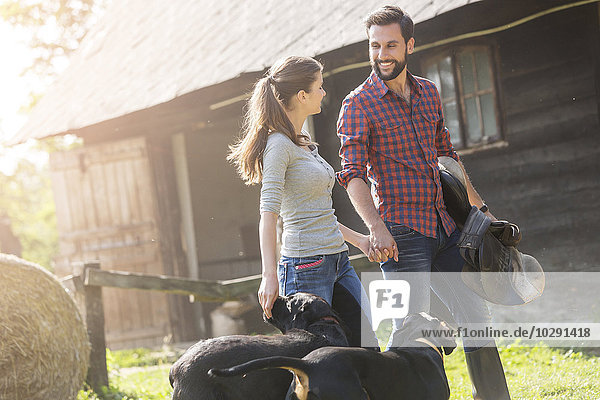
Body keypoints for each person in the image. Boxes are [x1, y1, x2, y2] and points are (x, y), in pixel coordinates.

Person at [336, 5, 511, 399]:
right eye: (375, 45)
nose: (382, 54)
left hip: (447, 229)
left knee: (476, 319)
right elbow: (352, 173)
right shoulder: (357, 103)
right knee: (407, 332)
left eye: (391, 45)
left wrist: (479, 209)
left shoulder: (429, 91)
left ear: (410, 45)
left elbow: (447, 155)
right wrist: (375, 227)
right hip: (400, 234)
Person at [228, 55, 371, 347]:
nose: (324, 93)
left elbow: (319, 212)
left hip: (338, 260)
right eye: (319, 86)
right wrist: (269, 276)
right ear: (302, 95)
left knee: (366, 344)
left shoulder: (302, 141)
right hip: (306, 266)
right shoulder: (278, 146)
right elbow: (268, 215)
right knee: (317, 357)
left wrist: (361, 241)